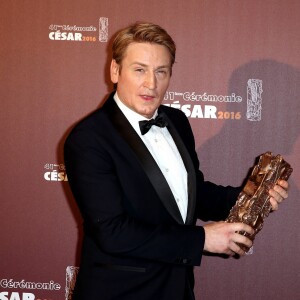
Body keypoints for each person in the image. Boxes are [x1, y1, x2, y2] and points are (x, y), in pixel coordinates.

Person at [64, 22, 288, 300]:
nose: (151, 84)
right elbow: (113, 231)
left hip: (177, 289)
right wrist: (203, 238)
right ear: (115, 70)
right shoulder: (89, 138)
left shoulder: (177, 121)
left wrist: (252, 196)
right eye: (139, 70)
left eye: (161, 72)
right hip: (121, 292)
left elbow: (192, 193)